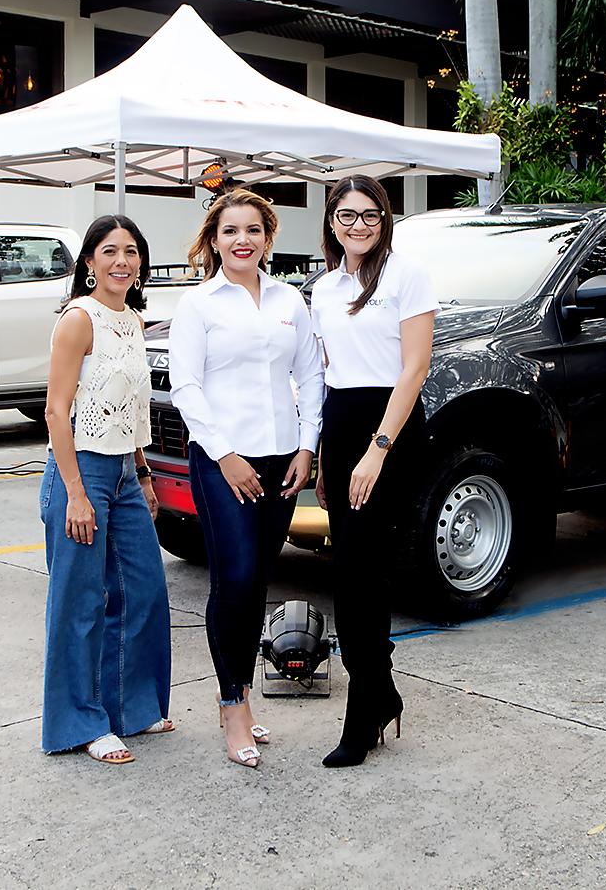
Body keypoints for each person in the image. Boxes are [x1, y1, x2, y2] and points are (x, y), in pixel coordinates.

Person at [169, 189, 325, 769]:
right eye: (230, 230)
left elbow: (310, 377)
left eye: (253, 230)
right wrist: (226, 454)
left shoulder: (291, 300)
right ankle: (231, 701)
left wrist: (307, 448)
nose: (242, 240)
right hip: (222, 459)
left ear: (268, 238)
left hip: (283, 457)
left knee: (259, 578)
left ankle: (240, 691)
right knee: (232, 577)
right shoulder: (199, 306)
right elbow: (187, 387)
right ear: (214, 240)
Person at [311, 176, 437, 768]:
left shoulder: (407, 276)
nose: (357, 225)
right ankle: (380, 691)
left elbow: (413, 370)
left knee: (366, 573)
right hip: (340, 426)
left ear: (385, 219)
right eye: (345, 215)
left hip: (386, 427)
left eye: (369, 215)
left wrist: (378, 448)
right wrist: (323, 453)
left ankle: (365, 707)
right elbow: (328, 372)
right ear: (332, 221)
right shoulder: (325, 286)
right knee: (347, 571)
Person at [39, 214, 173, 765]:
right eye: (110, 251)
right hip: (81, 471)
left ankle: (131, 709)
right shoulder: (79, 320)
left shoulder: (134, 321)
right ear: (90, 262)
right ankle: (83, 722)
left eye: (132, 251)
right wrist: (74, 491)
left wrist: (143, 473)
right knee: (81, 604)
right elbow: (55, 409)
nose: (122, 261)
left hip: (122, 469)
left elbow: (131, 408)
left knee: (143, 592)